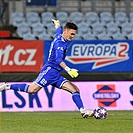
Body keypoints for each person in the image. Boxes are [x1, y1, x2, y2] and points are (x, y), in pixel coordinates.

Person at [0, 19, 94, 118]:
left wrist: (57, 25)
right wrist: (68, 69)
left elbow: (58, 30)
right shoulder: (60, 44)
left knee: (75, 89)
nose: (72, 36)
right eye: (71, 34)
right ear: (65, 31)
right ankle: (6, 87)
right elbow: (58, 60)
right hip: (49, 71)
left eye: (74, 34)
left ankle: (83, 111)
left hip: (56, 74)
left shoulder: (59, 35)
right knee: (32, 90)